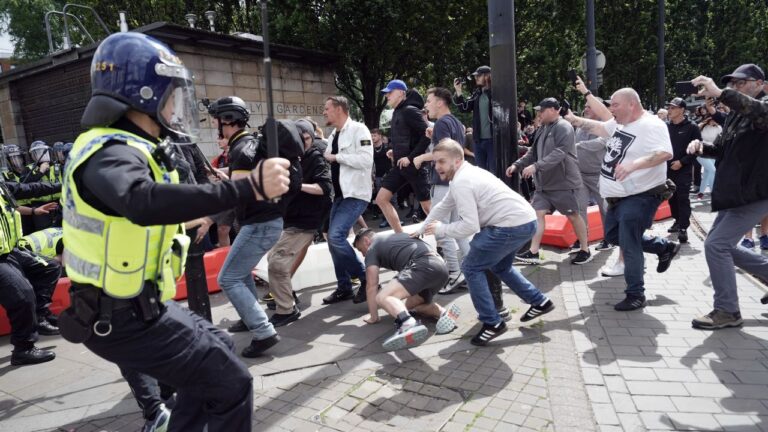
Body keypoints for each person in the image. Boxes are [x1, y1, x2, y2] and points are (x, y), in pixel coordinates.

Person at [59, 32, 292, 431]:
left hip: (139, 306)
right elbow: (141, 201)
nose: (175, 106)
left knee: (215, 356)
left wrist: (203, 214)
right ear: (143, 93)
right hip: (118, 316)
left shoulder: (131, 148)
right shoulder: (110, 152)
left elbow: (145, 216)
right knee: (230, 384)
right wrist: (247, 187)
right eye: (171, 95)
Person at [418, 139, 555, 346]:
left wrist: (440, 230)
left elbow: (470, 226)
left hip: (510, 226)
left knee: (471, 268)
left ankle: (492, 323)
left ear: (457, 160)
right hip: (524, 221)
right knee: (501, 266)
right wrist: (423, 227)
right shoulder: (464, 174)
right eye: (435, 162)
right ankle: (540, 301)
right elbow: (443, 206)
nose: (437, 166)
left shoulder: (463, 181)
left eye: (442, 162)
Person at [565, 88, 681, 311]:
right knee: (612, 236)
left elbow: (665, 153)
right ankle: (663, 247)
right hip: (617, 197)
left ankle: (636, 294)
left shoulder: (652, 125)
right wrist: (574, 119)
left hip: (640, 196)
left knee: (629, 242)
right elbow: (599, 127)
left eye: (615, 105)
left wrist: (633, 165)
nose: (611, 109)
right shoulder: (620, 123)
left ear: (631, 104)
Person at [208, 96, 302, 357]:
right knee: (240, 273)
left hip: (259, 223)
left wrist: (208, 209)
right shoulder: (252, 145)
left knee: (227, 278)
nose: (216, 124)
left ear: (227, 120)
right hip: (267, 220)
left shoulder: (241, 150)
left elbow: (240, 193)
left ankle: (263, 331)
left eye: (217, 119)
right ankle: (250, 318)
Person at [686, 64, 768, 329]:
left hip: (754, 193)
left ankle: (727, 311)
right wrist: (702, 147)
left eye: (741, 83)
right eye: (732, 83)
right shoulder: (734, 115)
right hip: (735, 193)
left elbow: (758, 112)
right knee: (721, 245)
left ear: (759, 83)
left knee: (716, 246)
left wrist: (720, 92)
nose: (736, 87)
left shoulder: (762, 106)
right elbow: (721, 150)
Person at [507, 98, 592, 265]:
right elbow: (532, 153)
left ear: (554, 110)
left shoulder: (564, 127)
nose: (539, 114)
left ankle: (585, 249)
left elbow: (560, 152)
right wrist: (517, 165)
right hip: (544, 184)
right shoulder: (542, 128)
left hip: (563, 183)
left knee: (573, 215)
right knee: (537, 214)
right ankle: (534, 252)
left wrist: (536, 167)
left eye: (542, 110)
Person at [266, 119, 332, 326]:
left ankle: (286, 309)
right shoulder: (291, 158)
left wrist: (298, 185)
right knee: (275, 260)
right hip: (290, 220)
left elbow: (323, 188)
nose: (303, 142)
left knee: (277, 262)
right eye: (299, 138)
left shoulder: (316, 158)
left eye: (306, 138)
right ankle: (286, 298)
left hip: (306, 221)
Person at [354, 229, 460, 350]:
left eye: (361, 250)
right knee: (410, 306)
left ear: (367, 241)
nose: (363, 255)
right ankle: (443, 313)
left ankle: (407, 323)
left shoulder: (373, 247)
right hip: (440, 268)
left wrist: (373, 317)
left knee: (383, 297)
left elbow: (371, 285)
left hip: (421, 265)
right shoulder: (397, 236)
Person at [0, 179, 62, 366]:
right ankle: (23, 348)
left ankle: (40, 316)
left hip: (9, 250)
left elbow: (31, 189)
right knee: (23, 294)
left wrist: (65, 182)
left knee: (49, 267)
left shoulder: (2, 186)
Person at [415, 87, 470, 293]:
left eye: (429, 101)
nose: (426, 105)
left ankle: (454, 273)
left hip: (443, 181)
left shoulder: (442, 124)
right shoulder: (455, 122)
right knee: (459, 230)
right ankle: (470, 270)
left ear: (440, 102)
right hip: (455, 181)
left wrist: (420, 157)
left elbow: (443, 153)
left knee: (441, 230)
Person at [322, 96, 374, 305]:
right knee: (332, 240)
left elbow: (365, 160)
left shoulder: (359, 130)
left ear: (340, 109)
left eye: (327, 108)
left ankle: (366, 278)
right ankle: (344, 287)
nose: (324, 112)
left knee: (335, 237)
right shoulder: (334, 134)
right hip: (340, 196)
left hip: (356, 194)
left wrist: (337, 157)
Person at [374, 80, 432, 233]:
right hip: (400, 167)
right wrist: (394, 150)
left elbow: (427, 136)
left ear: (401, 92)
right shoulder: (397, 112)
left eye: (390, 92)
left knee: (427, 208)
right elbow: (404, 137)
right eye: (386, 93)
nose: (387, 96)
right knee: (381, 199)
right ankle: (401, 237)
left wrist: (411, 158)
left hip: (415, 167)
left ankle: (445, 241)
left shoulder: (410, 111)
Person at [571, 78, 614, 252]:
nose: (586, 109)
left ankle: (608, 238)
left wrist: (577, 146)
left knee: (605, 209)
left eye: (589, 107)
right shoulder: (580, 126)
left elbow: (599, 144)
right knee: (580, 208)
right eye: (586, 106)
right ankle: (583, 240)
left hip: (599, 174)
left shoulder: (607, 127)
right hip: (580, 174)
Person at [664, 97, 702, 244]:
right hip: (667, 168)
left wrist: (682, 162)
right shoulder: (666, 126)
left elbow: (698, 148)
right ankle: (677, 220)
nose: (670, 110)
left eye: (673, 108)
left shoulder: (692, 127)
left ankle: (683, 228)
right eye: (669, 107)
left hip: (684, 169)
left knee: (682, 197)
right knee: (671, 197)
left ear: (682, 110)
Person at [453, 66, 495, 174]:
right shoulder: (477, 93)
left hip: (493, 141)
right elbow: (464, 108)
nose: (476, 78)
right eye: (475, 76)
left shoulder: (496, 92)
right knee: (481, 173)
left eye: (479, 75)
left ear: (487, 76)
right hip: (478, 141)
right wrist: (458, 91)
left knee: (494, 173)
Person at [696, 115, 721, 199]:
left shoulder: (719, 128)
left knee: (707, 172)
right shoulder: (701, 126)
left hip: (713, 152)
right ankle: (713, 192)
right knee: (712, 170)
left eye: (716, 120)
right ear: (709, 119)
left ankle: (701, 192)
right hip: (701, 152)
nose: (715, 122)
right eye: (713, 120)